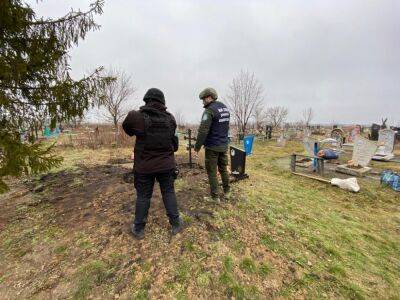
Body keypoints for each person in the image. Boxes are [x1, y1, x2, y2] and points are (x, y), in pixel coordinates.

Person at [122, 88, 182, 239]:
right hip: (166, 166)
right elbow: (174, 146)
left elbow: (127, 128)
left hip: (144, 167)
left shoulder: (138, 117)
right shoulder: (170, 119)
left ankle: (138, 229)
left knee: (143, 196)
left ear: (146, 100)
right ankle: (176, 224)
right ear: (163, 102)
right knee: (168, 193)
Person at [194, 87, 230, 203]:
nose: (203, 102)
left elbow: (203, 130)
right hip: (223, 145)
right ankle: (227, 191)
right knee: (223, 169)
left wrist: (197, 146)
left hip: (212, 147)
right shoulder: (224, 108)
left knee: (212, 171)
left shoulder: (209, 111)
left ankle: (215, 197)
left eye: (204, 99)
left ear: (209, 97)